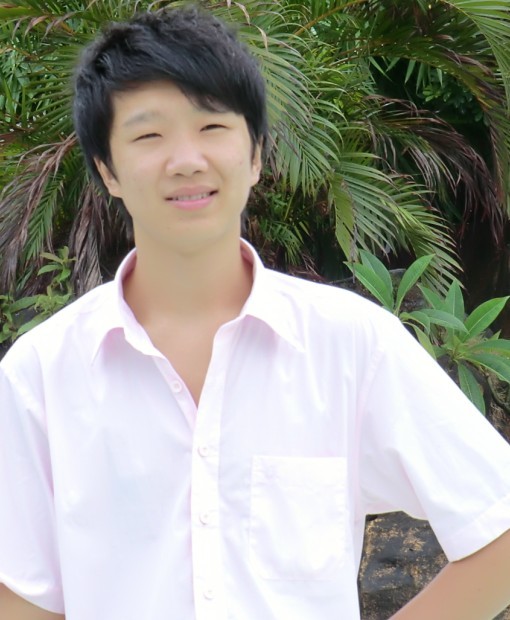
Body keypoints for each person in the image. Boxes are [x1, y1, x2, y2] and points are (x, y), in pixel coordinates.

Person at [1, 6, 510, 620]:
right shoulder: (41, 374)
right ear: (107, 170)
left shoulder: (349, 345)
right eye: (148, 136)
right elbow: (21, 595)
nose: (186, 159)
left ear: (256, 155)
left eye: (213, 126)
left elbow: (499, 528)